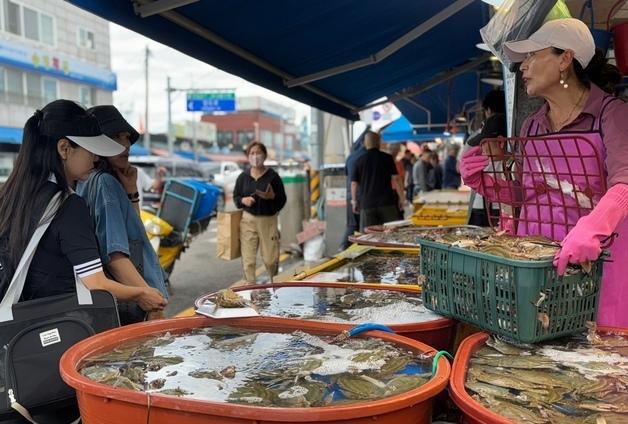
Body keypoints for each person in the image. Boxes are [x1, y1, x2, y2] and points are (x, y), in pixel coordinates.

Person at [0, 100, 167, 422]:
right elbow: (96, 283)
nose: (95, 157)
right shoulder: (68, 205)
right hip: (54, 349)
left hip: (15, 353)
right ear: (64, 148)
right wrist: (143, 294)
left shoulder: (11, 197)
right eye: (89, 149)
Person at [461, 18, 627, 327]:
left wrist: (592, 227)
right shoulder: (532, 126)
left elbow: (625, 182)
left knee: (599, 361)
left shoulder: (612, 115)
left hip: (600, 262)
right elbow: (529, 196)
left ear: (565, 58)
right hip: (540, 266)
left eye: (532, 55)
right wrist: (485, 182)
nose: (522, 67)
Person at [78, 105, 169, 324]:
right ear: (98, 142)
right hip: (131, 303)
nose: (126, 144)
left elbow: (133, 237)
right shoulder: (105, 183)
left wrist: (132, 193)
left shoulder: (86, 180)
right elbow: (116, 256)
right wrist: (149, 298)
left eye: (127, 137)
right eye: (117, 137)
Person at [233, 142, 286, 283]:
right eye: (252, 153)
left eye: (258, 153)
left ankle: (273, 286)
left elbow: (282, 199)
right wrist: (243, 200)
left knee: (270, 260)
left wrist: (272, 197)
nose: (255, 156)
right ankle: (249, 291)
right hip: (248, 220)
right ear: (248, 156)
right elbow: (236, 197)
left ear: (265, 155)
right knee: (248, 261)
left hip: (268, 221)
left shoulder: (273, 177)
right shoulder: (242, 177)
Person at [464, 90, 507, 227]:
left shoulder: (514, 163)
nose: (482, 149)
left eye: (484, 144)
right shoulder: (513, 129)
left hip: (493, 206)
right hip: (490, 204)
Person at [351, 131, 404, 231]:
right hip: (387, 203)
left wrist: (354, 202)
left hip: (367, 204)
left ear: (365, 143)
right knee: (392, 233)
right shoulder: (387, 158)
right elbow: (396, 179)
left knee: (368, 236)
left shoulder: (358, 161)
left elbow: (354, 183)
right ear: (379, 142)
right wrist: (402, 198)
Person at [341, 132, 366, 250]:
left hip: (350, 195)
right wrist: (355, 200)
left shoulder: (350, 157)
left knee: (352, 224)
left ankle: (344, 249)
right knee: (362, 225)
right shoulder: (365, 156)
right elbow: (354, 182)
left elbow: (348, 177)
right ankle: (346, 248)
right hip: (360, 196)